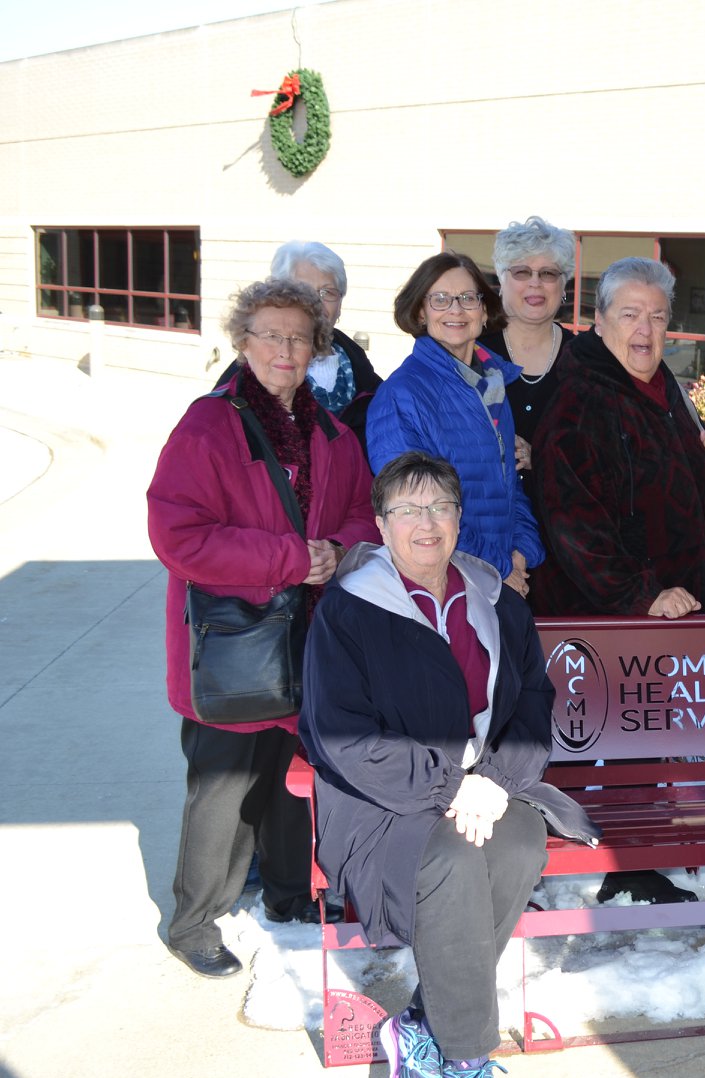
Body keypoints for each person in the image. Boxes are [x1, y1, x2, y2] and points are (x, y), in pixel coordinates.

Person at [300, 452, 583, 1078]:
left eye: (440, 507)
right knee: (455, 863)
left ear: (460, 518)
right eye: (407, 509)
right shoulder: (348, 611)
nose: (425, 523)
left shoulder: (495, 603)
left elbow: (534, 705)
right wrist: (452, 785)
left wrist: (495, 782)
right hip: (380, 800)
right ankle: (465, 1058)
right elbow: (339, 736)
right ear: (380, 522)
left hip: (483, 787)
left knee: (520, 843)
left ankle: (422, 1023)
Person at [146, 277, 377, 978]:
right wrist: (288, 559)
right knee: (220, 788)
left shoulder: (331, 433)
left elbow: (365, 514)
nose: (285, 348)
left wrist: (336, 551)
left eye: (298, 336)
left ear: (317, 347)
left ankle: (287, 895)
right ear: (243, 341)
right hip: (232, 644)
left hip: (304, 640)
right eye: (270, 334)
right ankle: (194, 921)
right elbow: (177, 535)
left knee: (287, 777)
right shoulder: (208, 424)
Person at [533, 256, 705, 619]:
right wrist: (643, 596)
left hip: (683, 613)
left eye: (657, 317)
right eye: (630, 315)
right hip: (619, 635)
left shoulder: (664, 388)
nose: (645, 329)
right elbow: (576, 531)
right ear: (600, 321)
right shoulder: (578, 407)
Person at [366, 252, 544, 600]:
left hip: (499, 581)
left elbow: (510, 486)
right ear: (420, 311)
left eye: (467, 298)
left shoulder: (492, 385)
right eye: (441, 299)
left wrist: (522, 551)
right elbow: (416, 511)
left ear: (484, 308)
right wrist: (498, 569)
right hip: (441, 588)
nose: (456, 310)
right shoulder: (401, 396)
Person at [217, 241, 384, 430]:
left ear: (340, 303)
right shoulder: (249, 373)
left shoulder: (361, 369)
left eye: (327, 292)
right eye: (303, 291)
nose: (316, 303)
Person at [476, 215, 578, 491]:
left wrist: (545, 459)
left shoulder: (585, 359)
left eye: (548, 273)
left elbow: (603, 451)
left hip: (561, 522)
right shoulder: (472, 351)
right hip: (484, 516)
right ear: (501, 279)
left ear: (563, 284)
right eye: (521, 272)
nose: (535, 283)